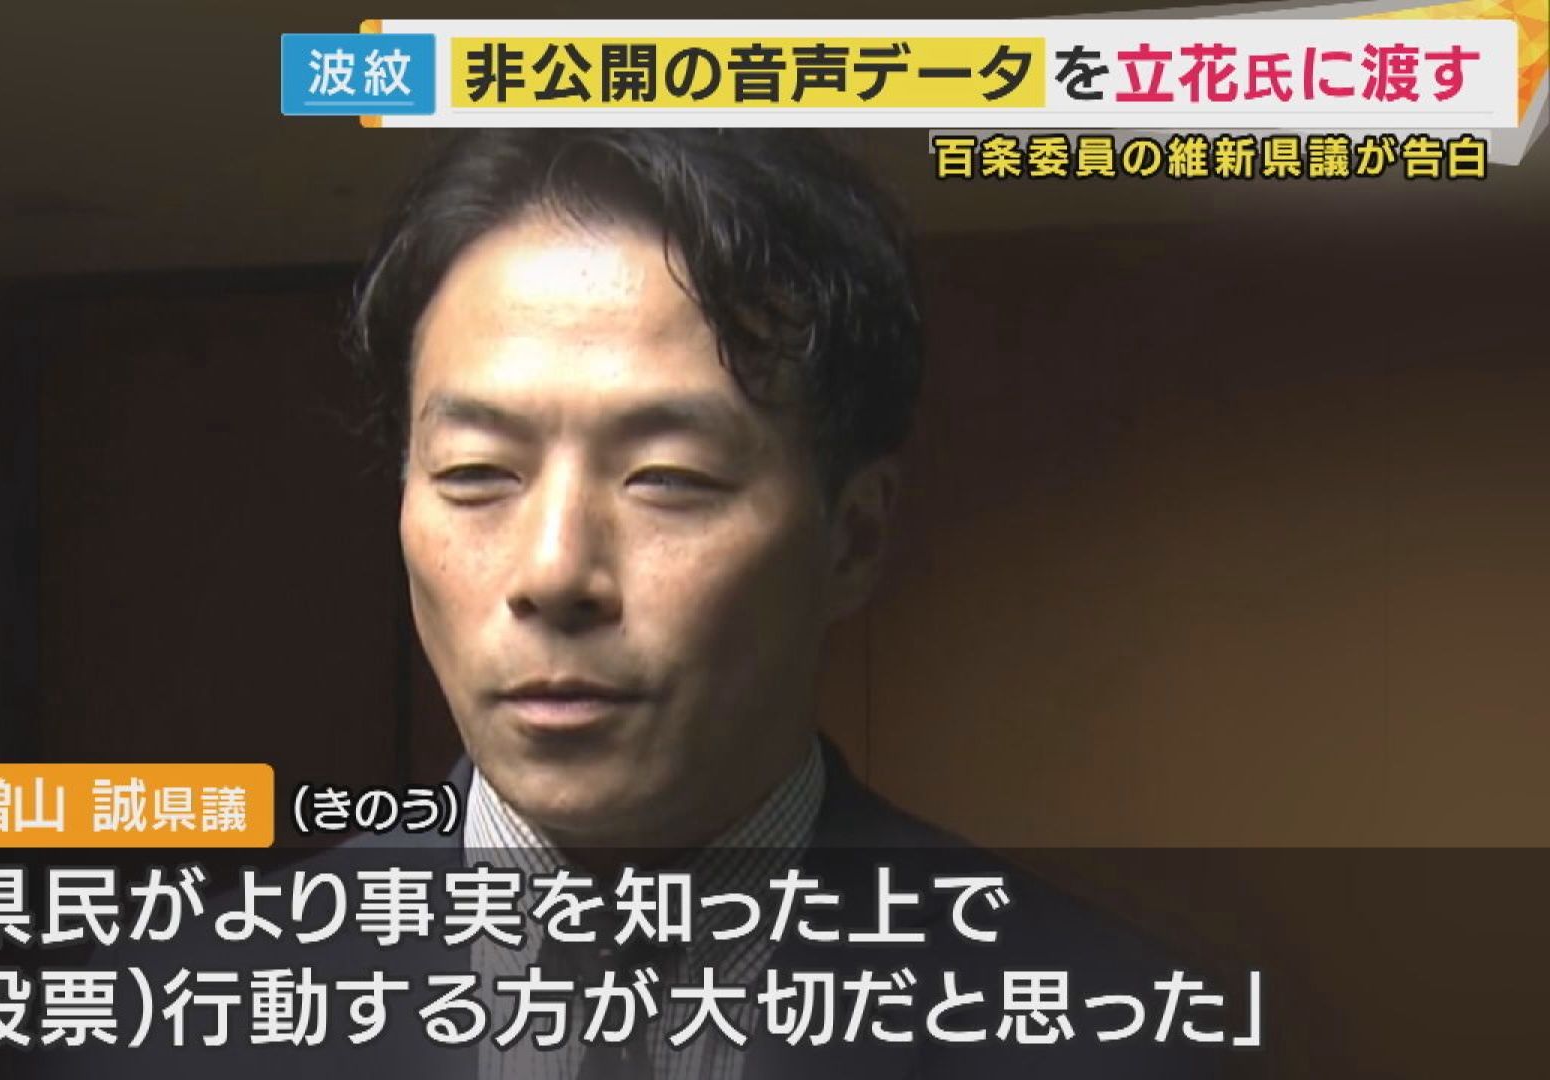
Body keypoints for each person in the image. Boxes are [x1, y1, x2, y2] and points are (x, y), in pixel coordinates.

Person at [62, 129, 1224, 1080]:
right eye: (477, 474)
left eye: (667, 478)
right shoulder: (164, 1026)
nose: (553, 571)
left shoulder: (1111, 1037)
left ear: (854, 538)